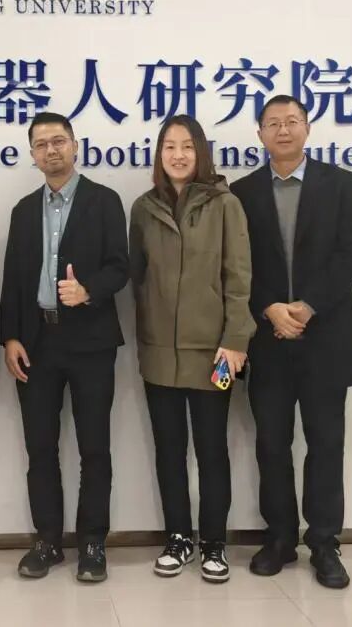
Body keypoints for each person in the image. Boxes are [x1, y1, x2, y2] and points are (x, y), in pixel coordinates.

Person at [231, 94, 352, 589]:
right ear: (260, 134)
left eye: (292, 121)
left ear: (307, 128)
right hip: (268, 340)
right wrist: (269, 307)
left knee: (326, 443)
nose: (283, 130)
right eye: (273, 123)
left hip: (326, 337)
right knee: (271, 443)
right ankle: (280, 538)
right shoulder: (241, 193)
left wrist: (308, 306)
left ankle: (325, 542)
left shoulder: (340, 184)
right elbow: (236, 265)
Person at [0, 112, 129, 583]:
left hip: (91, 341)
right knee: (40, 448)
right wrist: (10, 337)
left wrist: (88, 289)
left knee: (95, 447)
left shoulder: (105, 201)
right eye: (41, 144)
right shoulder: (22, 210)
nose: (51, 150)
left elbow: (121, 267)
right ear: (33, 155)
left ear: (75, 146)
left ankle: (92, 542)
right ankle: (47, 541)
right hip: (36, 342)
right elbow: (13, 279)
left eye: (58, 141)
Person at [129, 115, 255, 583]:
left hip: (213, 355)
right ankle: (178, 538)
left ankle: (214, 543)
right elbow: (138, 278)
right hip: (159, 353)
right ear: (159, 154)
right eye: (169, 146)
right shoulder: (143, 208)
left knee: (211, 450)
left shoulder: (225, 204)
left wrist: (236, 340)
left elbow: (238, 278)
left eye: (186, 146)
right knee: (169, 451)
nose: (178, 155)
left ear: (200, 151)